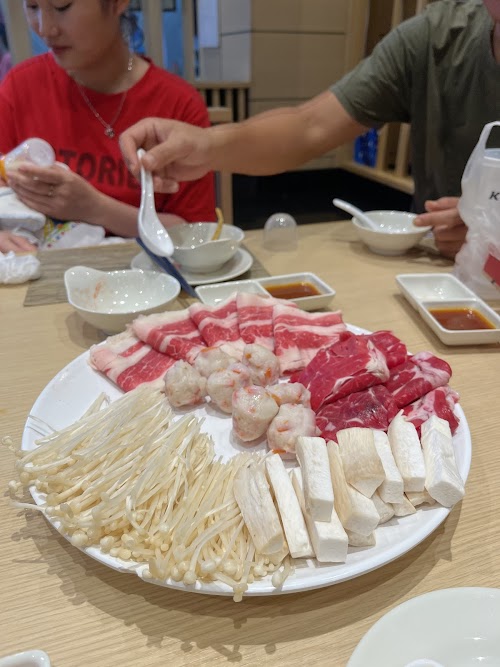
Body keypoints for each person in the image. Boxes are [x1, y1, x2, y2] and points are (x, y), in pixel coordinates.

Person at [120, 0, 500, 260]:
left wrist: (492, 229)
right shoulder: (437, 37)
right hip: (443, 285)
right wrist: (207, 144)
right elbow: (309, 126)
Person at [0, 0, 216, 253]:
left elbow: (195, 234)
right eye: (33, 7)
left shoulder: (179, 104)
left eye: (61, 7)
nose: (45, 29)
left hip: (144, 272)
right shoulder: (20, 87)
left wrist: (95, 208)